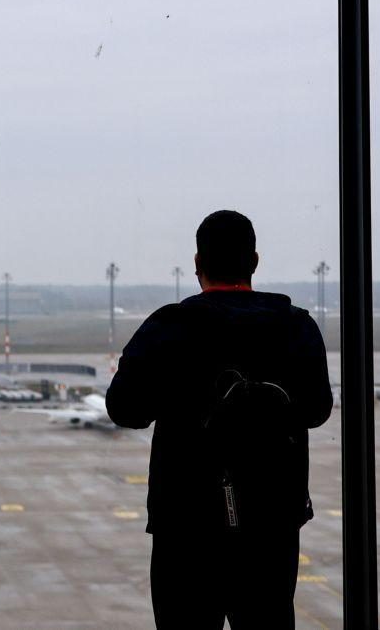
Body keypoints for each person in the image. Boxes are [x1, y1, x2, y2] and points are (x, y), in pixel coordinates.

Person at [106, 211, 332, 629]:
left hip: (186, 528)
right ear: (255, 261)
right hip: (271, 525)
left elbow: (124, 409)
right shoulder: (296, 327)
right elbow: (318, 410)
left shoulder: (169, 326)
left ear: (197, 265)